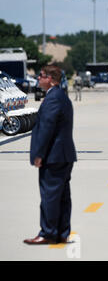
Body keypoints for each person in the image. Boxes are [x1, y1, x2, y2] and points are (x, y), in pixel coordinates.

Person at [24, 65, 77, 245]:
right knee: (61, 197)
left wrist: (39, 154)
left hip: (54, 157)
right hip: (63, 155)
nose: (38, 78)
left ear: (52, 79)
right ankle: (61, 232)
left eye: (42, 76)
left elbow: (47, 128)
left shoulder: (53, 98)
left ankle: (47, 233)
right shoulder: (60, 96)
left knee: (50, 197)